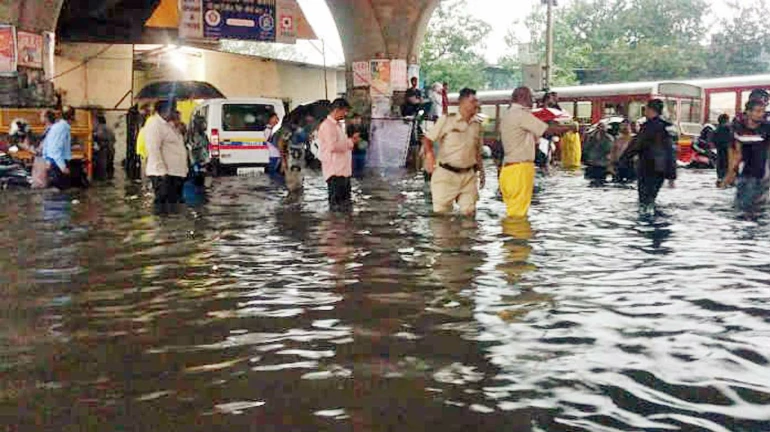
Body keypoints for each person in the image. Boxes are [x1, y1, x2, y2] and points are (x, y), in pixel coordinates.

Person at [499, 87, 575, 218]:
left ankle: (512, 236)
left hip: (510, 169)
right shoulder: (521, 114)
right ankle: (517, 237)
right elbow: (548, 130)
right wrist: (570, 127)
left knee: (513, 211)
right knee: (518, 215)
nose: (534, 101)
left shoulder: (509, 114)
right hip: (520, 169)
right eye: (531, 97)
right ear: (523, 98)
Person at [422, 87, 484, 217]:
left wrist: (481, 171)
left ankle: (468, 238)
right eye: (473, 101)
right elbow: (428, 139)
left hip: (469, 176)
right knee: (442, 217)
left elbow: (477, 150)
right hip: (446, 175)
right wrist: (429, 155)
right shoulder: (447, 120)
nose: (477, 105)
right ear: (463, 102)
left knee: (469, 215)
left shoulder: (477, 124)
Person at [621, 99, 677, 215]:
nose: (644, 111)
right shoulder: (667, 128)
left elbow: (636, 145)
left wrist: (622, 161)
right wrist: (671, 175)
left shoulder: (648, 127)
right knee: (652, 198)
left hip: (647, 168)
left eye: (645, 108)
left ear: (650, 110)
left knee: (644, 201)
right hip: (661, 170)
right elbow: (671, 152)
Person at [144, 99, 189, 213]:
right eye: (173, 109)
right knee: (164, 208)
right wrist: (162, 173)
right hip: (164, 175)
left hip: (176, 173)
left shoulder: (170, 124)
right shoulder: (154, 124)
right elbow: (153, 149)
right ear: (165, 110)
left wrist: (180, 128)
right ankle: (163, 229)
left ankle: (172, 229)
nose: (175, 112)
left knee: (175, 207)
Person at [725, 99, 770, 211]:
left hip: (760, 174)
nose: (761, 114)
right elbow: (736, 153)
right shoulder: (738, 127)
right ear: (748, 112)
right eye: (758, 111)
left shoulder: (766, 128)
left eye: (763, 111)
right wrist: (730, 174)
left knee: (750, 208)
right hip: (743, 174)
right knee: (739, 206)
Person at [318, 98, 361, 211]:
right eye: (345, 111)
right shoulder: (327, 126)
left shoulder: (337, 126)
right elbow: (333, 146)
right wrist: (351, 142)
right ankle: (336, 228)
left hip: (343, 171)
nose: (345, 114)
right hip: (335, 172)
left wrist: (350, 141)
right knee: (337, 207)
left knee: (345, 206)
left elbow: (340, 144)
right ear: (337, 110)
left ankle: (343, 227)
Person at [41, 106, 74, 190]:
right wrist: (62, 167)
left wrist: (47, 160)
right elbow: (55, 149)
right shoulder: (62, 128)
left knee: (55, 194)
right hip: (58, 164)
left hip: (54, 163)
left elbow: (46, 145)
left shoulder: (56, 127)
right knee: (60, 194)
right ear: (72, 117)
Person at [93, 114, 116, 181]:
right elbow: (114, 140)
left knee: (102, 170)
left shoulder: (100, 128)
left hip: (103, 151)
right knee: (110, 167)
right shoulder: (110, 129)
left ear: (98, 121)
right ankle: (110, 180)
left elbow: (99, 137)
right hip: (111, 150)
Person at [712, 114, 732, 187]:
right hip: (728, 151)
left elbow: (713, 140)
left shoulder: (716, 129)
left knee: (720, 165)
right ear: (726, 120)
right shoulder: (729, 128)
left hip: (720, 150)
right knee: (727, 164)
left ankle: (720, 178)